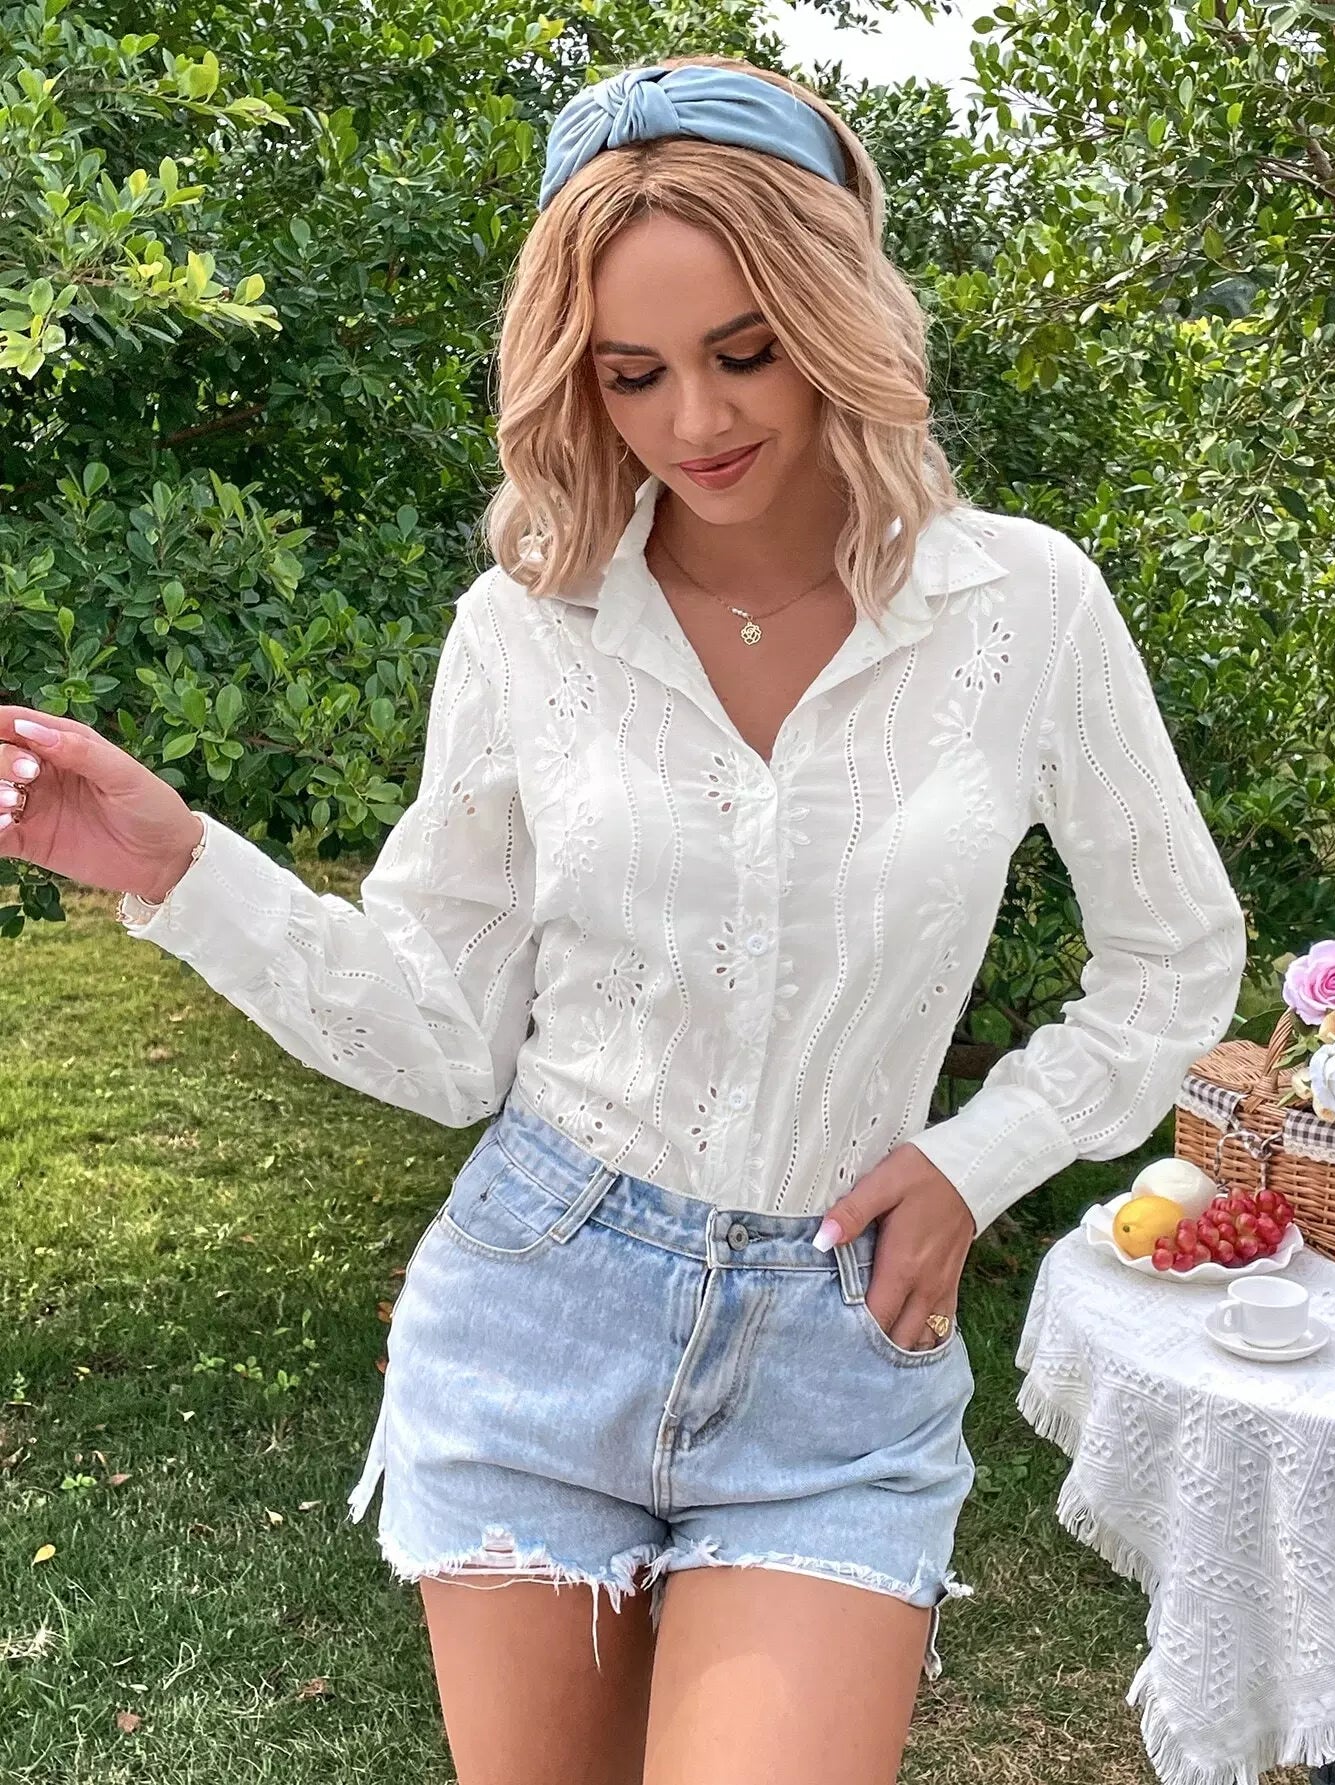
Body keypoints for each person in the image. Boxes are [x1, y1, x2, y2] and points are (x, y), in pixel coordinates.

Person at [0, 52, 1248, 1785]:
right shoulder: (526, 626)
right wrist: (176, 862)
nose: (694, 420)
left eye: (746, 349)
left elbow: (1176, 962)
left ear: (837, 315)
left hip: (838, 1351)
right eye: (631, 372)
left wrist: (980, 1159)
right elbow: (448, 1038)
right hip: (538, 1309)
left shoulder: (1023, 607)